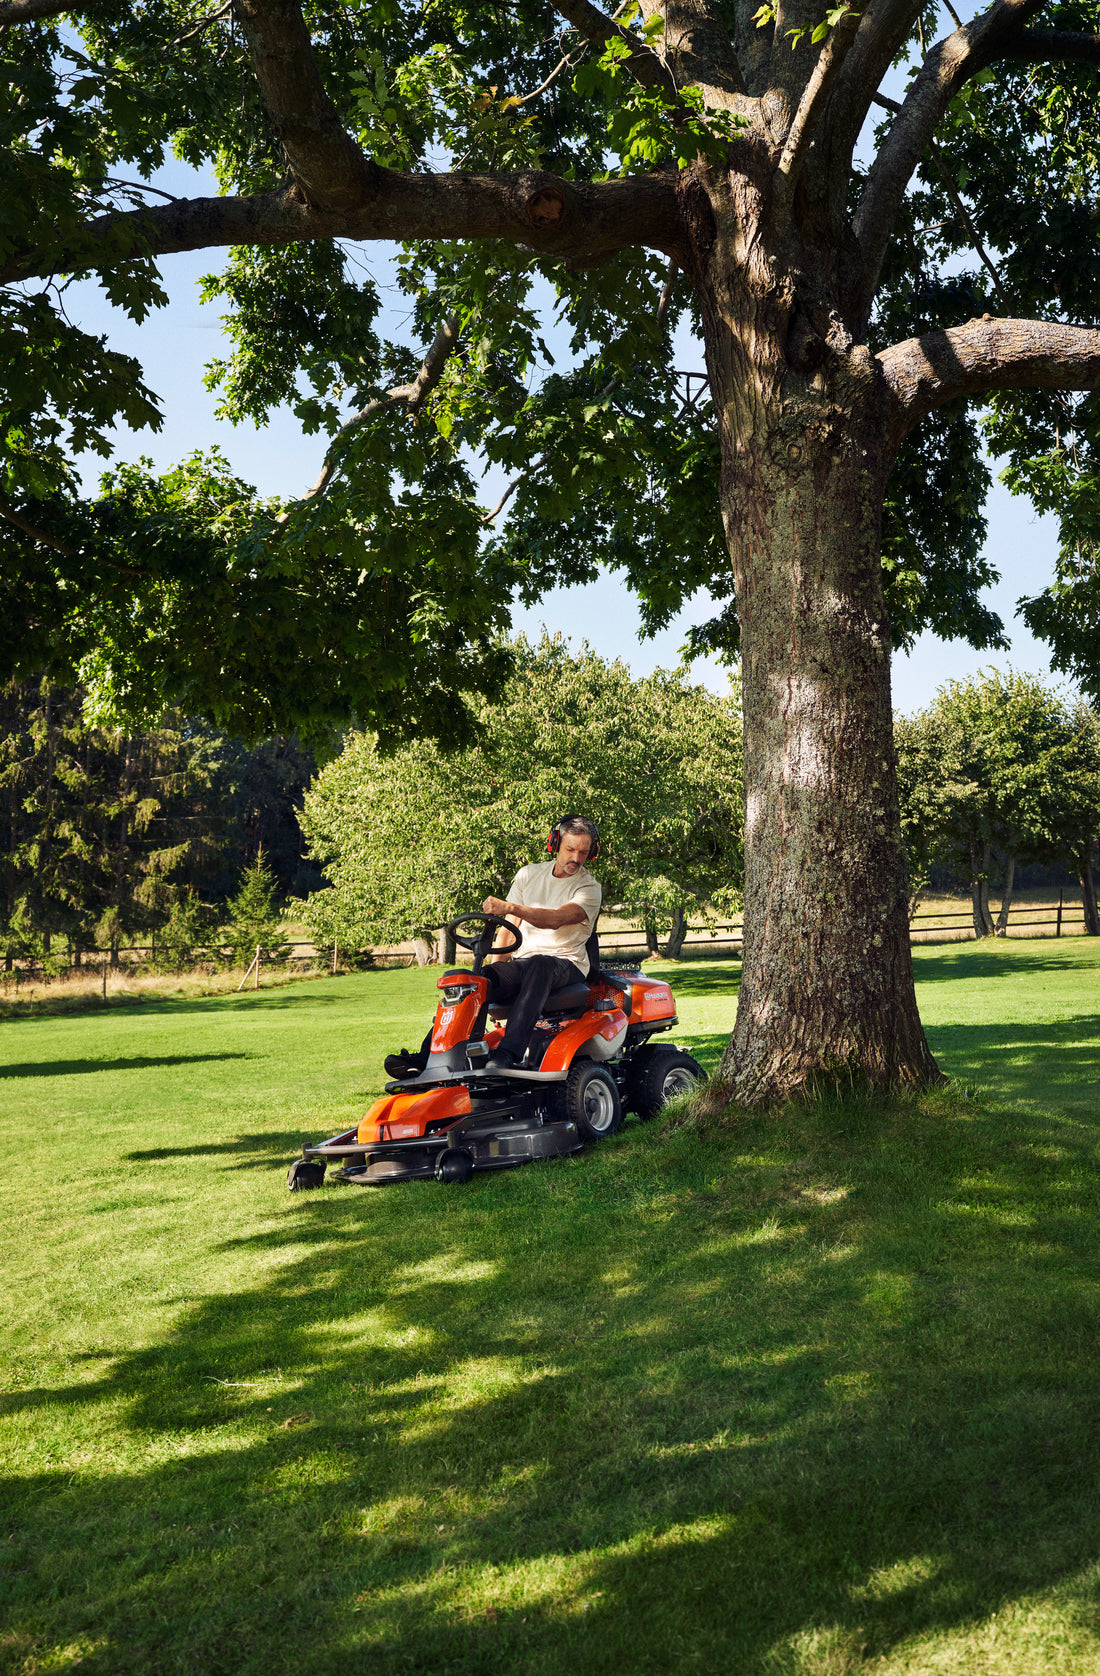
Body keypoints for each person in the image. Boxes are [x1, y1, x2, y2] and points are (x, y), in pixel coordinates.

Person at [479, 816, 602, 1073]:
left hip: (567, 964)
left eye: (583, 852)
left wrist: (511, 906)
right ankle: (431, 1055)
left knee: (541, 964)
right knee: (475, 979)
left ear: (592, 853)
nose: (575, 858)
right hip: (527, 964)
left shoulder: (589, 888)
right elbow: (508, 933)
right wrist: (494, 977)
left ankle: (507, 1053)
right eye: (570, 849)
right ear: (555, 843)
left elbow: (555, 919)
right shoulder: (528, 875)